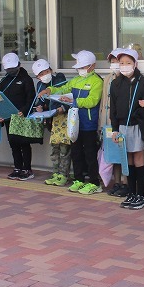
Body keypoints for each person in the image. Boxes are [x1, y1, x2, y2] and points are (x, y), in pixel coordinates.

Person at [41, 50, 103, 194]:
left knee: (89, 153)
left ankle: (94, 182)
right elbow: (63, 88)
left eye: (82, 66)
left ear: (92, 66)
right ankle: (79, 179)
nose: (79, 69)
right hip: (74, 122)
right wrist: (50, 90)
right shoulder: (76, 80)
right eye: (79, 66)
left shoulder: (97, 81)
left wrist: (73, 101)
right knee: (76, 152)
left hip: (88, 123)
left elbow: (92, 101)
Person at [110, 48, 144, 209]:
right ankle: (131, 193)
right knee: (128, 161)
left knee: (138, 160)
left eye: (128, 63)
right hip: (122, 127)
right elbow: (113, 109)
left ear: (135, 64)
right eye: (121, 63)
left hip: (138, 127)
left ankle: (141, 195)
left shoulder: (142, 82)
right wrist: (114, 129)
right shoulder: (116, 83)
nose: (124, 66)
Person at [0, 52, 36, 181]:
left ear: (19, 65)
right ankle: (17, 167)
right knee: (13, 143)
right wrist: (0, 114)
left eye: (12, 68)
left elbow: (31, 98)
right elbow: (0, 98)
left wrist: (24, 110)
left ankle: (27, 169)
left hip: (22, 116)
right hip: (9, 117)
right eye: (8, 69)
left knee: (24, 143)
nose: (10, 70)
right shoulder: (5, 80)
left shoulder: (26, 79)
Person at [32, 58, 70, 186]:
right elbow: (41, 102)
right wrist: (40, 107)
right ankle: (56, 172)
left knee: (64, 147)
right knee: (55, 148)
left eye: (46, 71)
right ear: (37, 77)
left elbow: (68, 98)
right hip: (51, 120)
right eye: (41, 74)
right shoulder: (40, 85)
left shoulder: (60, 79)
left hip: (63, 118)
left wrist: (62, 108)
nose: (44, 75)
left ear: (51, 70)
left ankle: (64, 174)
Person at [99, 49, 127, 197]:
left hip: (122, 123)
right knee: (113, 154)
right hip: (108, 124)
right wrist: (101, 125)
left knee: (124, 154)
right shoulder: (107, 79)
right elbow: (104, 103)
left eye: (118, 61)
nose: (115, 64)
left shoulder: (127, 79)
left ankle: (127, 183)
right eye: (113, 61)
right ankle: (117, 182)